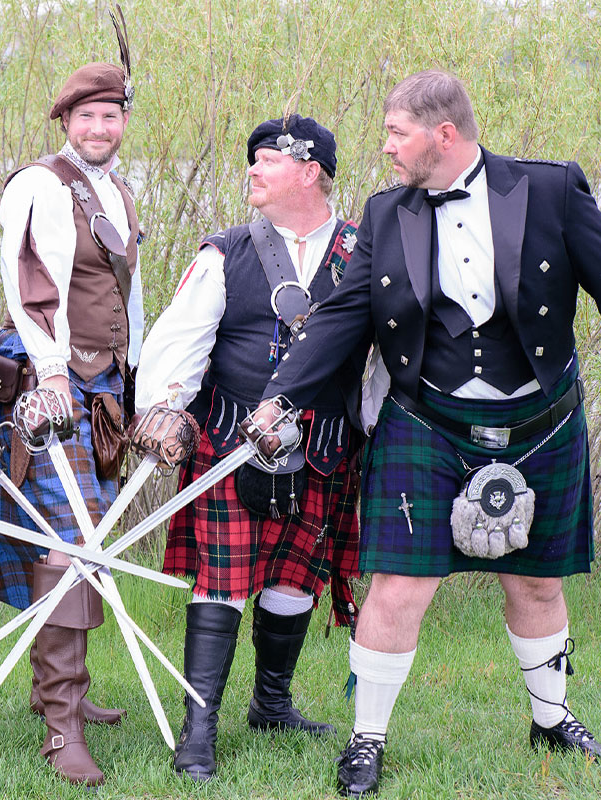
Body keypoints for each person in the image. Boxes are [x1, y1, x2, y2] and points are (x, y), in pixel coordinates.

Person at [249, 70, 601, 797]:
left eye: (397, 133)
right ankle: (367, 737)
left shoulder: (549, 190)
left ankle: (551, 718)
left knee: (537, 581)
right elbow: (343, 316)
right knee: (398, 583)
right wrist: (279, 399)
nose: (386, 147)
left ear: (442, 134)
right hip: (428, 418)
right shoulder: (386, 212)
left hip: (539, 419)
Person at [134, 116, 366, 782]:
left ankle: (271, 704)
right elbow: (180, 339)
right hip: (230, 441)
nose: (253, 170)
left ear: (311, 171)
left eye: (269, 160)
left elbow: (384, 350)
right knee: (222, 580)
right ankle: (199, 729)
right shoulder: (227, 251)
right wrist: (165, 407)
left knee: (295, 576)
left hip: (323, 444)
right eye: (252, 160)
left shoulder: (363, 251)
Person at [0, 60, 142, 786]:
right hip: (50, 386)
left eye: (111, 116)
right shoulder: (41, 183)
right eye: (86, 117)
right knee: (71, 547)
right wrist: (54, 372)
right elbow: (30, 283)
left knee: (83, 540)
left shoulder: (117, 188)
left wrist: (136, 377)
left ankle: (56, 692)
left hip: (103, 385)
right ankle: (62, 729)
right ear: (65, 122)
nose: (99, 128)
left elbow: (127, 297)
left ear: (123, 121)